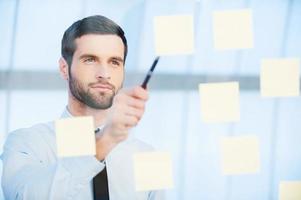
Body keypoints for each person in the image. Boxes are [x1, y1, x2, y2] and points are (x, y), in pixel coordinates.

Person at [1, 15, 164, 200]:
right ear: (64, 68)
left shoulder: (149, 156)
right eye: (90, 59)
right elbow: (23, 196)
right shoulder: (26, 143)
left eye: (114, 62)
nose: (104, 74)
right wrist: (105, 141)